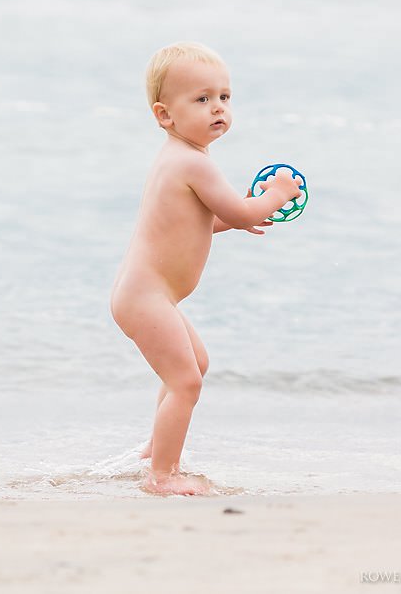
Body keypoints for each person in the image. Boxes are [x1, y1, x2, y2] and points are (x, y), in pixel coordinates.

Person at [109, 41, 303, 496]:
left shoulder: (181, 161)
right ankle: (162, 475)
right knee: (185, 380)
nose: (217, 108)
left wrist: (230, 223)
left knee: (195, 363)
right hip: (145, 297)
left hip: (146, 293)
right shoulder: (193, 163)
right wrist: (276, 193)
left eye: (224, 97)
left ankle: (153, 451)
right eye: (201, 99)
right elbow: (241, 210)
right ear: (165, 115)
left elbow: (193, 222)